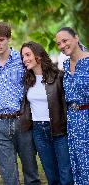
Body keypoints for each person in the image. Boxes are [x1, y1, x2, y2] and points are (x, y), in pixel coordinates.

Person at [0, 22, 40, 185]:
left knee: (31, 172)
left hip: (22, 120)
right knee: (9, 177)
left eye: (1, 39)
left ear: (8, 38)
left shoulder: (22, 61)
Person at [20, 41, 73, 185]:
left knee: (66, 174)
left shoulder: (59, 77)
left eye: (27, 55)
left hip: (59, 130)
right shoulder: (27, 80)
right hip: (38, 131)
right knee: (51, 175)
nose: (24, 59)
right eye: (23, 56)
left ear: (38, 55)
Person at [56, 27, 89, 184]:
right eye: (58, 43)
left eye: (65, 40)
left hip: (87, 117)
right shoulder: (66, 66)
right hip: (73, 120)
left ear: (76, 38)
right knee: (76, 161)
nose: (62, 45)